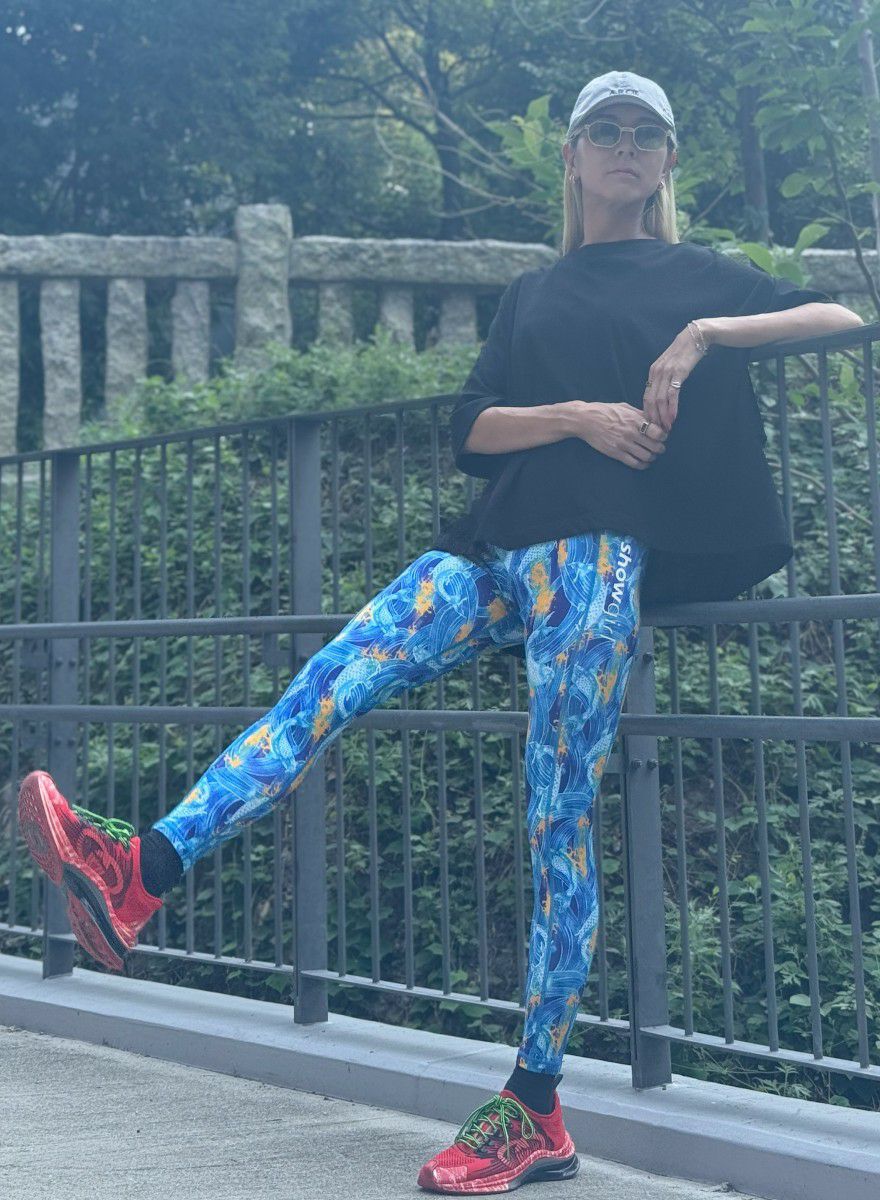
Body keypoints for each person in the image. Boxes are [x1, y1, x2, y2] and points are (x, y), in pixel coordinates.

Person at [18, 69, 861, 1195]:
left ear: (666, 161)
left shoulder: (693, 275)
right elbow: (473, 428)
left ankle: (535, 1104)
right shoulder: (533, 292)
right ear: (572, 156)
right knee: (334, 674)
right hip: (495, 551)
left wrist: (703, 334)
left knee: (556, 811)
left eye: (644, 134)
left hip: (597, 567)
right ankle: (143, 869)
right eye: (603, 130)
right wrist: (576, 416)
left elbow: (842, 316)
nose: (623, 146)